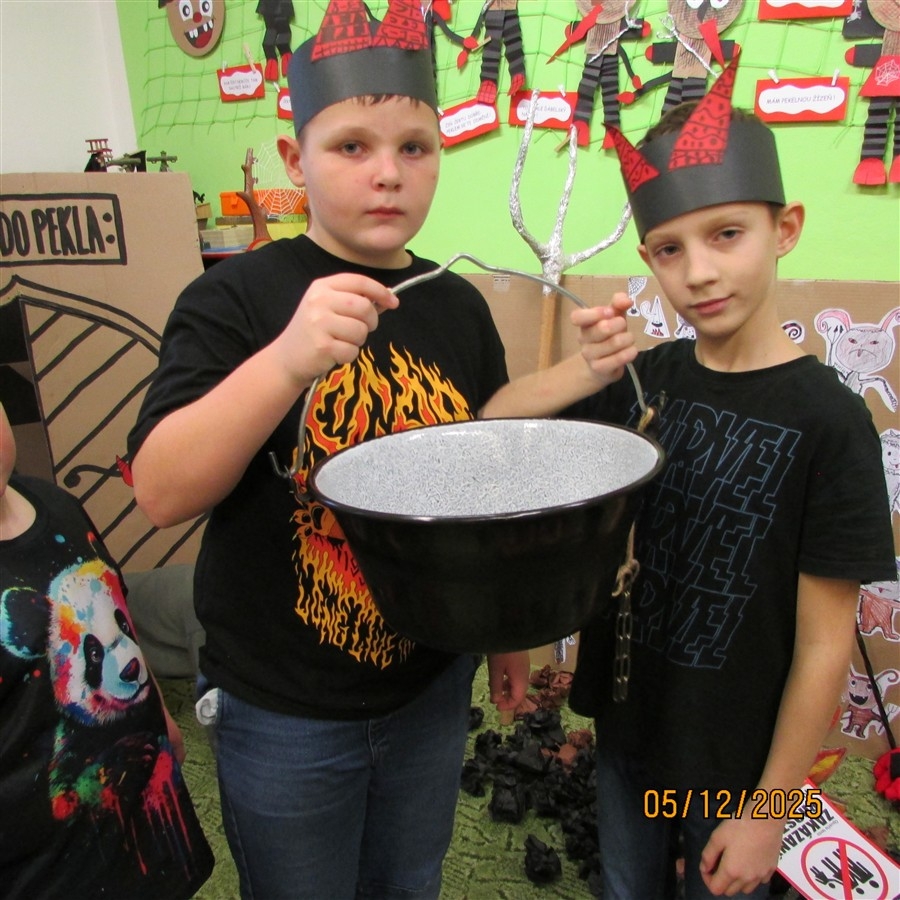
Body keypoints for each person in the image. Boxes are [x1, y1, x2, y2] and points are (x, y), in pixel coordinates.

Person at [127, 1, 529, 897]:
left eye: (414, 147)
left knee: (408, 880)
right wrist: (285, 363)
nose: (387, 173)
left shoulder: (456, 306)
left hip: (430, 688)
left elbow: (486, 483)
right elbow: (160, 491)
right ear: (292, 158)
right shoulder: (233, 301)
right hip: (284, 709)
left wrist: (504, 632)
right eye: (351, 146)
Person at [482, 55, 897, 899]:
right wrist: (583, 370)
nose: (698, 272)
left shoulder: (829, 421)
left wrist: (770, 811)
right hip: (631, 724)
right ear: (648, 257)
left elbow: (826, 643)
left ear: (785, 228)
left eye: (726, 235)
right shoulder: (649, 381)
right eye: (670, 250)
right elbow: (495, 431)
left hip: (737, 757)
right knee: (628, 882)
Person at [0, 402, 214, 899]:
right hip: (46, 868)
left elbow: (114, 612)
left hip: (143, 826)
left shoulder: (56, 503)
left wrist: (161, 715)